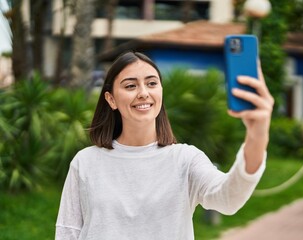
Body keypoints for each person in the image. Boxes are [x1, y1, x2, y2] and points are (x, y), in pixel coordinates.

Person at [55, 51, 274, 240]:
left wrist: (257, 134)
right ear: (111, 99)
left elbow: (229, 199)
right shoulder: (86, 162)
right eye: (130, 85)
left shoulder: (185, 160)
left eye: (151, 83)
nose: (143, 92)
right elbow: (67, 233)